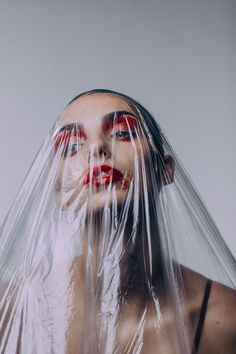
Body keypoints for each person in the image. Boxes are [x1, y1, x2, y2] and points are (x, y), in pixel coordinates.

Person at [0, 89, 235, 354]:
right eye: (72, 146)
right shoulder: (13, 310)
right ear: (58, 194)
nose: (96, 149)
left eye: (122, 133)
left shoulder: (225, 317)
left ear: (164, 169)